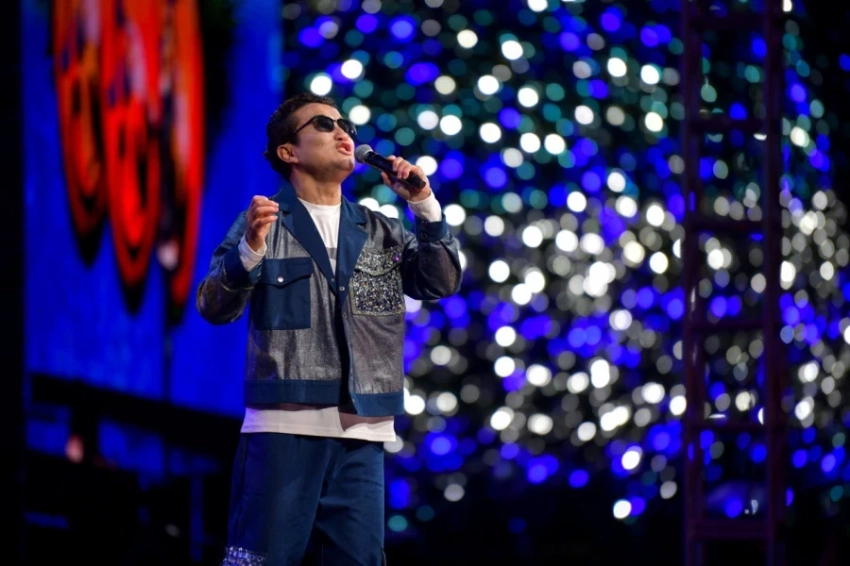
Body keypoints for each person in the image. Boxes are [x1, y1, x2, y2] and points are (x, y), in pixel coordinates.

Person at [197, 92, 462, 565]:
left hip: (365, 432)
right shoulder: (264, 222)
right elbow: (213, 306)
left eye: (346, 127)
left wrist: (424, 205)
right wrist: (250, 251)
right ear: (288, 152)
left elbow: (439, 282)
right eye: (324, 124)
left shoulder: (382, 230)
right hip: (284, 428)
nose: (343, 134)